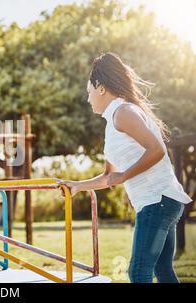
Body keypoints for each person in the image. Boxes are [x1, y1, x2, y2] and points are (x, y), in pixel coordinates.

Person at [60, 52, 192, 283]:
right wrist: (78, 186)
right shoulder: (113, 121)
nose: (88, 98)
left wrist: (125, 176)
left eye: (88, 91)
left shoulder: (124, 112)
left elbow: (156, 150)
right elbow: (109, 176)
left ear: (100, 88)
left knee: (138, 271)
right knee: (162, 271)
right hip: (161, 200)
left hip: (157, 200)